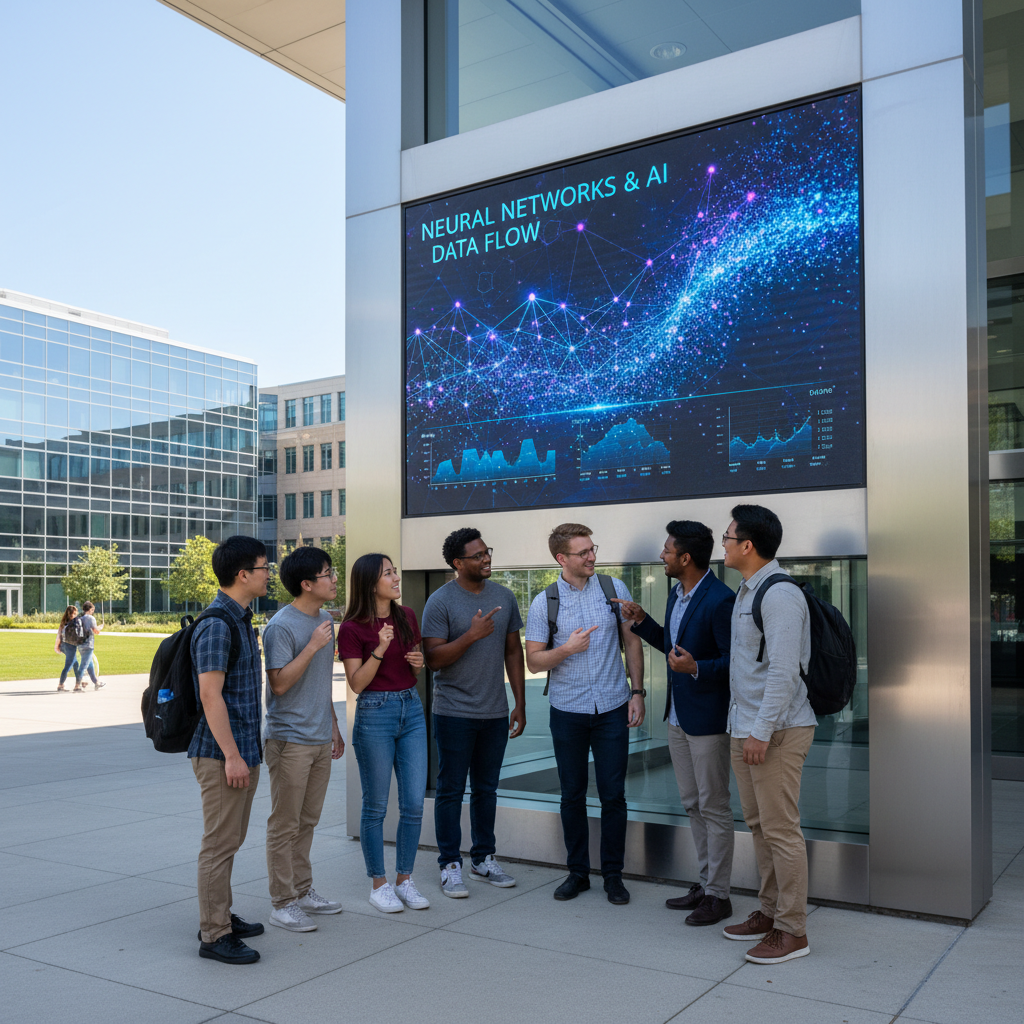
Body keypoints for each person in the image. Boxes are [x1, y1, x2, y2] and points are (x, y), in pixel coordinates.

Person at [614, 521, 736, 926]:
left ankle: (720, 896)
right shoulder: (676, 592)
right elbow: (673, 646)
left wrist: (697, 667)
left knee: (714, 807)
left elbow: (735, 663)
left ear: (685, 557)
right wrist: (643, 620)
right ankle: (706, 885)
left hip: (709, 720)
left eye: (667, 550)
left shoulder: (721, 600)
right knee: (692, 803)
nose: (662, 555)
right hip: (679, 717)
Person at [524, 523, 645, 905]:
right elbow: (533, 660)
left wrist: (637, 692)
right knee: (571, 795)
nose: (592, 557)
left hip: (612, 706)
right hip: (568, 710)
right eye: (583, 553)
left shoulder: (614, 590)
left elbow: (632, 642)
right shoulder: (545, 602)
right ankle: (577, 873)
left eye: (593, 549)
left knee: (614, 796)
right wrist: (566, 650)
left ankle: (613, 875)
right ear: (562, 559)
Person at [721, 504, 815, 965]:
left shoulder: (778, 596)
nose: (722, 543)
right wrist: (743, 730)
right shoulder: (746, 590)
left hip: (776, 731)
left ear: (747, 545)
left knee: (781, 831)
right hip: (747, 728)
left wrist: (759, 732)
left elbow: (783, 674)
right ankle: (769, 911)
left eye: (727, 536)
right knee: (760, 826)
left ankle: (792, 930)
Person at [422, 528, 526, 898]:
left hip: (494, 712)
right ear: (457, 563)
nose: (487, 559)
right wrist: (470, 635)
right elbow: (433, 660)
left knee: (487, 789)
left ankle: (483, 858)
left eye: (487, 552)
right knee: (450, 790)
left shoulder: (504, 596)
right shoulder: (440, 602)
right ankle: (450, 864)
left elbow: (514, 651)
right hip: (453, 713)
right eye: (478, 555)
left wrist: (520, 702)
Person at [189, 535, 270, 965]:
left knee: (231, 840)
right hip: (223, 754)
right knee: (219, 843)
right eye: (263, 568)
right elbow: (210, 694)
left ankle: (218, 913)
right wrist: (234, 756)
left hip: (240, 751)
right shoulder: (219, 623)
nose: (268, 574)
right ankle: (213, 934)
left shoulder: (241, 618)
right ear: (243, 575)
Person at [339, 553, 429, 914]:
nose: (396, 578)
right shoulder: (352, 628)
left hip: (412, 709)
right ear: (369, 583)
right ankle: (379, 884)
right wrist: (379, 648)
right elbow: (357, 684)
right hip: (375, 712)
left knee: (413, 803)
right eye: (388, 574)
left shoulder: (406, 616)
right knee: (375, 805)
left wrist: (418, 662)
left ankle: (405, 879)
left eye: (395, 572)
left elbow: (415, 663)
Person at [261, 546, 346, 933]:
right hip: (289, 740)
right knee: (285, 822)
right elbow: (279, 685)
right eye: (327, 574)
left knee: (308, 821)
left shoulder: (325, 618)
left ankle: (302, 889)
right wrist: (312, 646)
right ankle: (282, 902)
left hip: (317, 737)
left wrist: (333, 727)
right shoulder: (281, 626)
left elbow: (320, 685)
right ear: (306, 584)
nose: (333, 579)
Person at [74, 601, 105, 691]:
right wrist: (100, 628)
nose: (93, 612)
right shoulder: (91, 618)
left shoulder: (80, 618)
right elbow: (96, 631)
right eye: (92, 610)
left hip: (81, 645)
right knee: (83, 666)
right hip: (88, 645)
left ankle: (96, 682)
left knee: (90, 665)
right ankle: (77, 685)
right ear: (90, 609)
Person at [53, 606, 81, 692]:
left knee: (75, 665)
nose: (76, 615)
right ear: (73, 613)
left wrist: (57, 646)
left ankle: (78, 685)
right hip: (70, 647)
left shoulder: (64, 622)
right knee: (68, 666)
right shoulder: (74, 623)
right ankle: (61, 685)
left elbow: (59, 635)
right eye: (75, 613)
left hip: (64, 645)